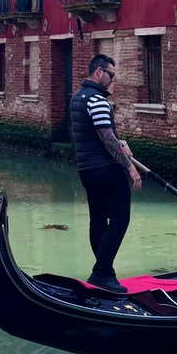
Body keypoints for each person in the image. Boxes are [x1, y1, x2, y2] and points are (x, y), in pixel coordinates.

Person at [70, 54, 142, 295]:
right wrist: (130, 168)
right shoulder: (97, 100)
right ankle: (101, 273)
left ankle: (106, 273)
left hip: (86, 169)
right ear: (98, 72)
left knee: (98, 220)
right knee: (120, 220)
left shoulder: (77, 98)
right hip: (106, 169)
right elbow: (106, 137)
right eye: (111, 75)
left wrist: (120, 141)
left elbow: (98, 134)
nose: (113, 80)